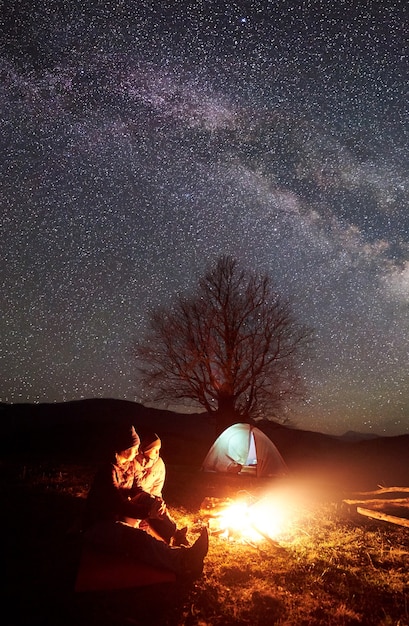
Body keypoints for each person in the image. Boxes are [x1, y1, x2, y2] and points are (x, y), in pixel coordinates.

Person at [82, 424, 208, 579]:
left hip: (119, 516)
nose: (137, 451)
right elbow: (118, 504)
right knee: (139, 538)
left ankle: (174, 536)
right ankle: (184, 562)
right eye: (135, 447)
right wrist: (148, 513)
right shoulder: (108, 472)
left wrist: (154, 503)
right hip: (101, 524)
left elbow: (138, 489)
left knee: (148, 500)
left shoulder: (129, 466)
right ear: (126, 448)